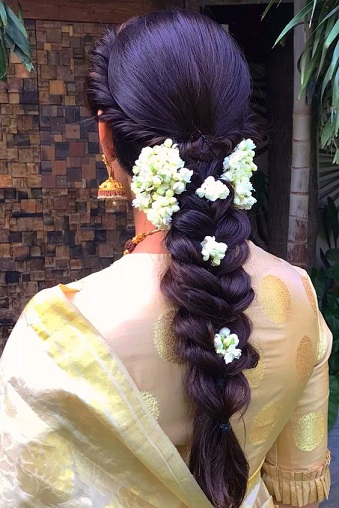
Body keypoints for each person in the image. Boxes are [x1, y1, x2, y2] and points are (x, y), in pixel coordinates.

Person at [0, 9, 332, 508]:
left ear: (106, 139)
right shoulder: (299, 295)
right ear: (238, 141)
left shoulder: (57, 334)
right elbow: (297, 487)